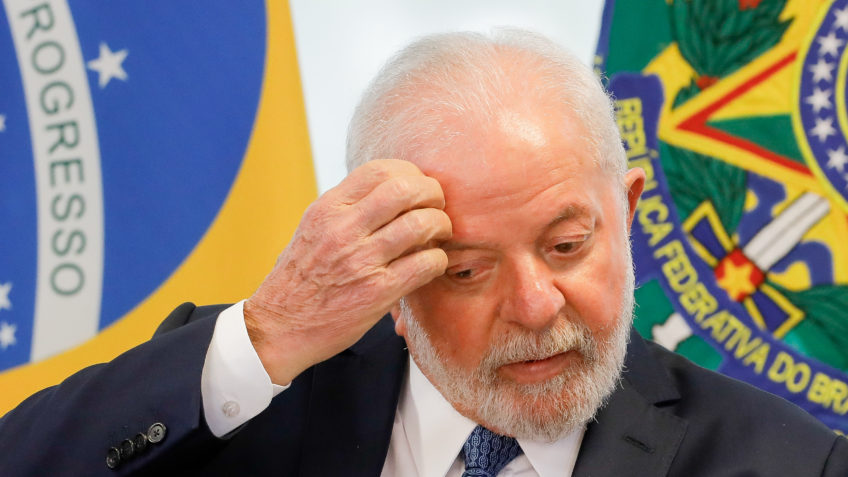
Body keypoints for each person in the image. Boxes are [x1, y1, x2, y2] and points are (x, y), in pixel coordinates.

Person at [1, 29, 847, 477]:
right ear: (384, 269)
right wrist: (269, 334)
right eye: (467, 268)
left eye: (566, 245)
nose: (536, 305)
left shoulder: (788, 462)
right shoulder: (260, 402)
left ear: (624, 216)